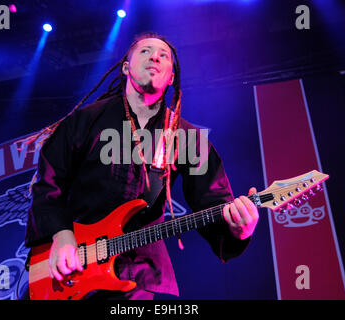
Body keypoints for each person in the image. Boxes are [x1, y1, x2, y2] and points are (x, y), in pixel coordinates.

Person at [23, 32, 259, 300]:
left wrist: (238, 230)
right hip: (71, 265)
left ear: (171, 77)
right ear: (126, 67)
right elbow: (48, 184)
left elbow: (213, 201)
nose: (155, 57)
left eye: (164, 55)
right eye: (145, 51)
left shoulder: (186, 138)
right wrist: (61, 235)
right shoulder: (84, 122)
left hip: (139, 273)